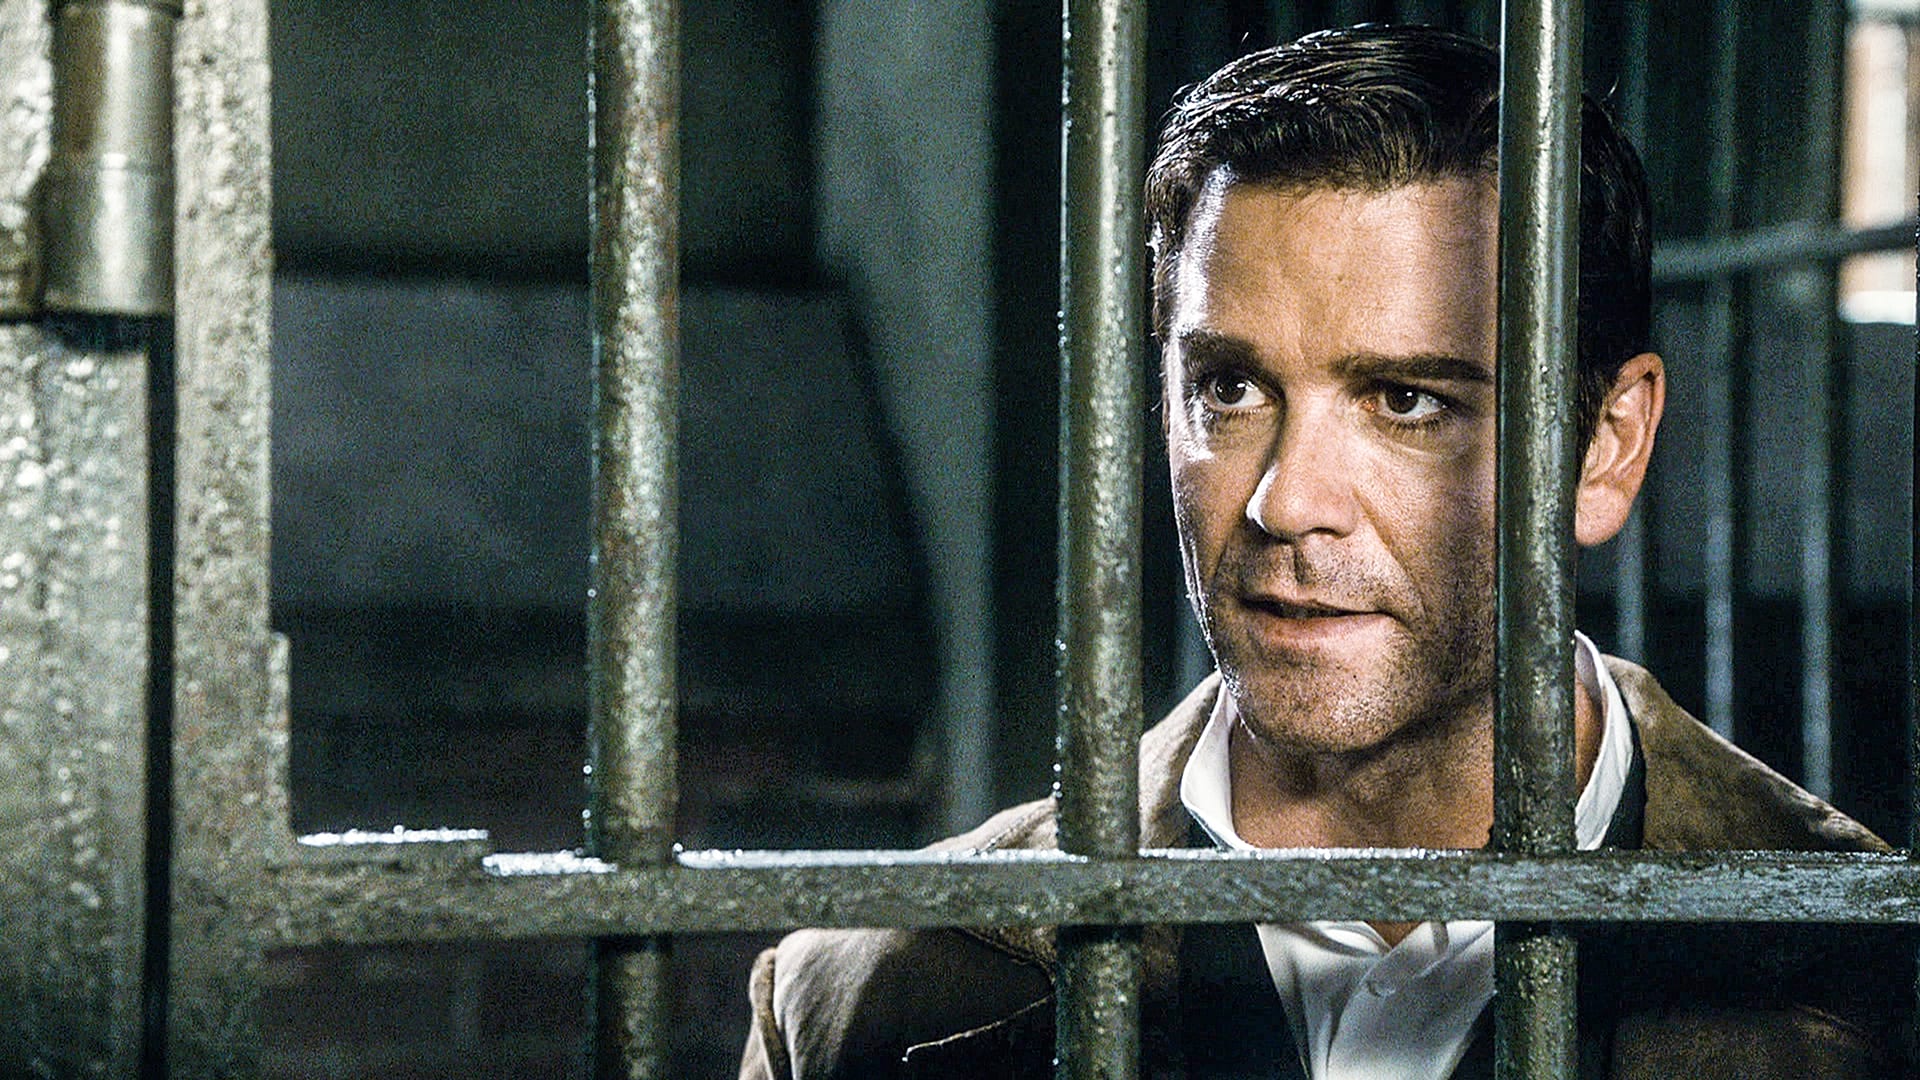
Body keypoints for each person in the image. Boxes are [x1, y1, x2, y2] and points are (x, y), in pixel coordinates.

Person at [737, 25, 1912, 1079]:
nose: (1287, 501)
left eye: (1407, 400)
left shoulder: (1874, 979)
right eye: (1230, 387)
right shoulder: (864, 1002)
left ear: (1604, 448)